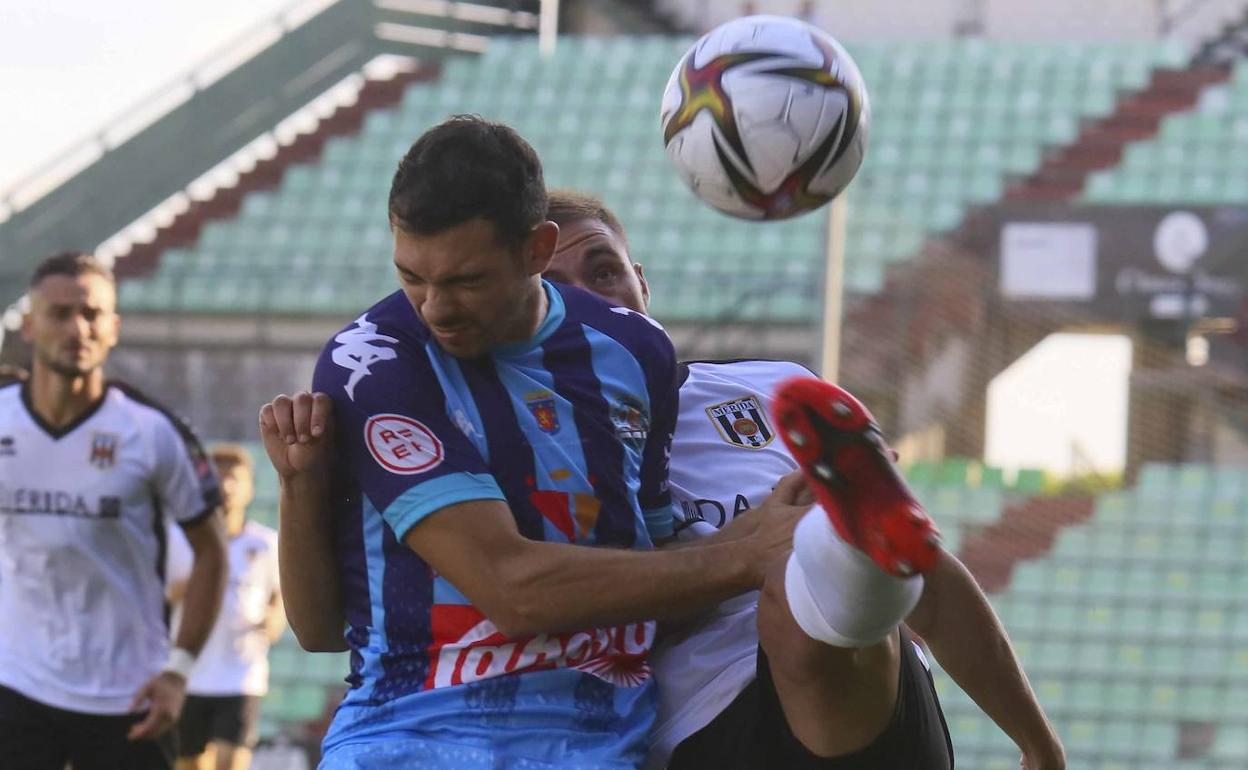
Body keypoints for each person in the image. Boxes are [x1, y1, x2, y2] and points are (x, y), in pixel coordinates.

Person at [260, 115, 801, 769]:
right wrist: (749, 556)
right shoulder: (372, 362)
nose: (434, 307)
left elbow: (654, 577)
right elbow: (511, 590)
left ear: (538, 250)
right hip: (410, 742)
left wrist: (781, 532)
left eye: (465, 281)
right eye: (412, 276)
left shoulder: (635, 351)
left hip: (598, 747)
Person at [0, 252, 228, 769]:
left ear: (113, 328)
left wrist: (179, 671)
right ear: (30, 325)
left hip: (129, 697)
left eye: (92, 314)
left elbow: (212, 550)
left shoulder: (151, 433)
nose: (77, 328)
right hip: (16, 687)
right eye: (59, 314)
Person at [173, 444, 284, 770]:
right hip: (190, 671)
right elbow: (165, 594)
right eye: (219, 478)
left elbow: (279, 596)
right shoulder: (181, 541)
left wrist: (274, 619)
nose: (226, 487)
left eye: (235, 479)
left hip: (241, 672)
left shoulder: (264, 544)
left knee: (230, 761)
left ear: (249, 488)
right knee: (190, 762)